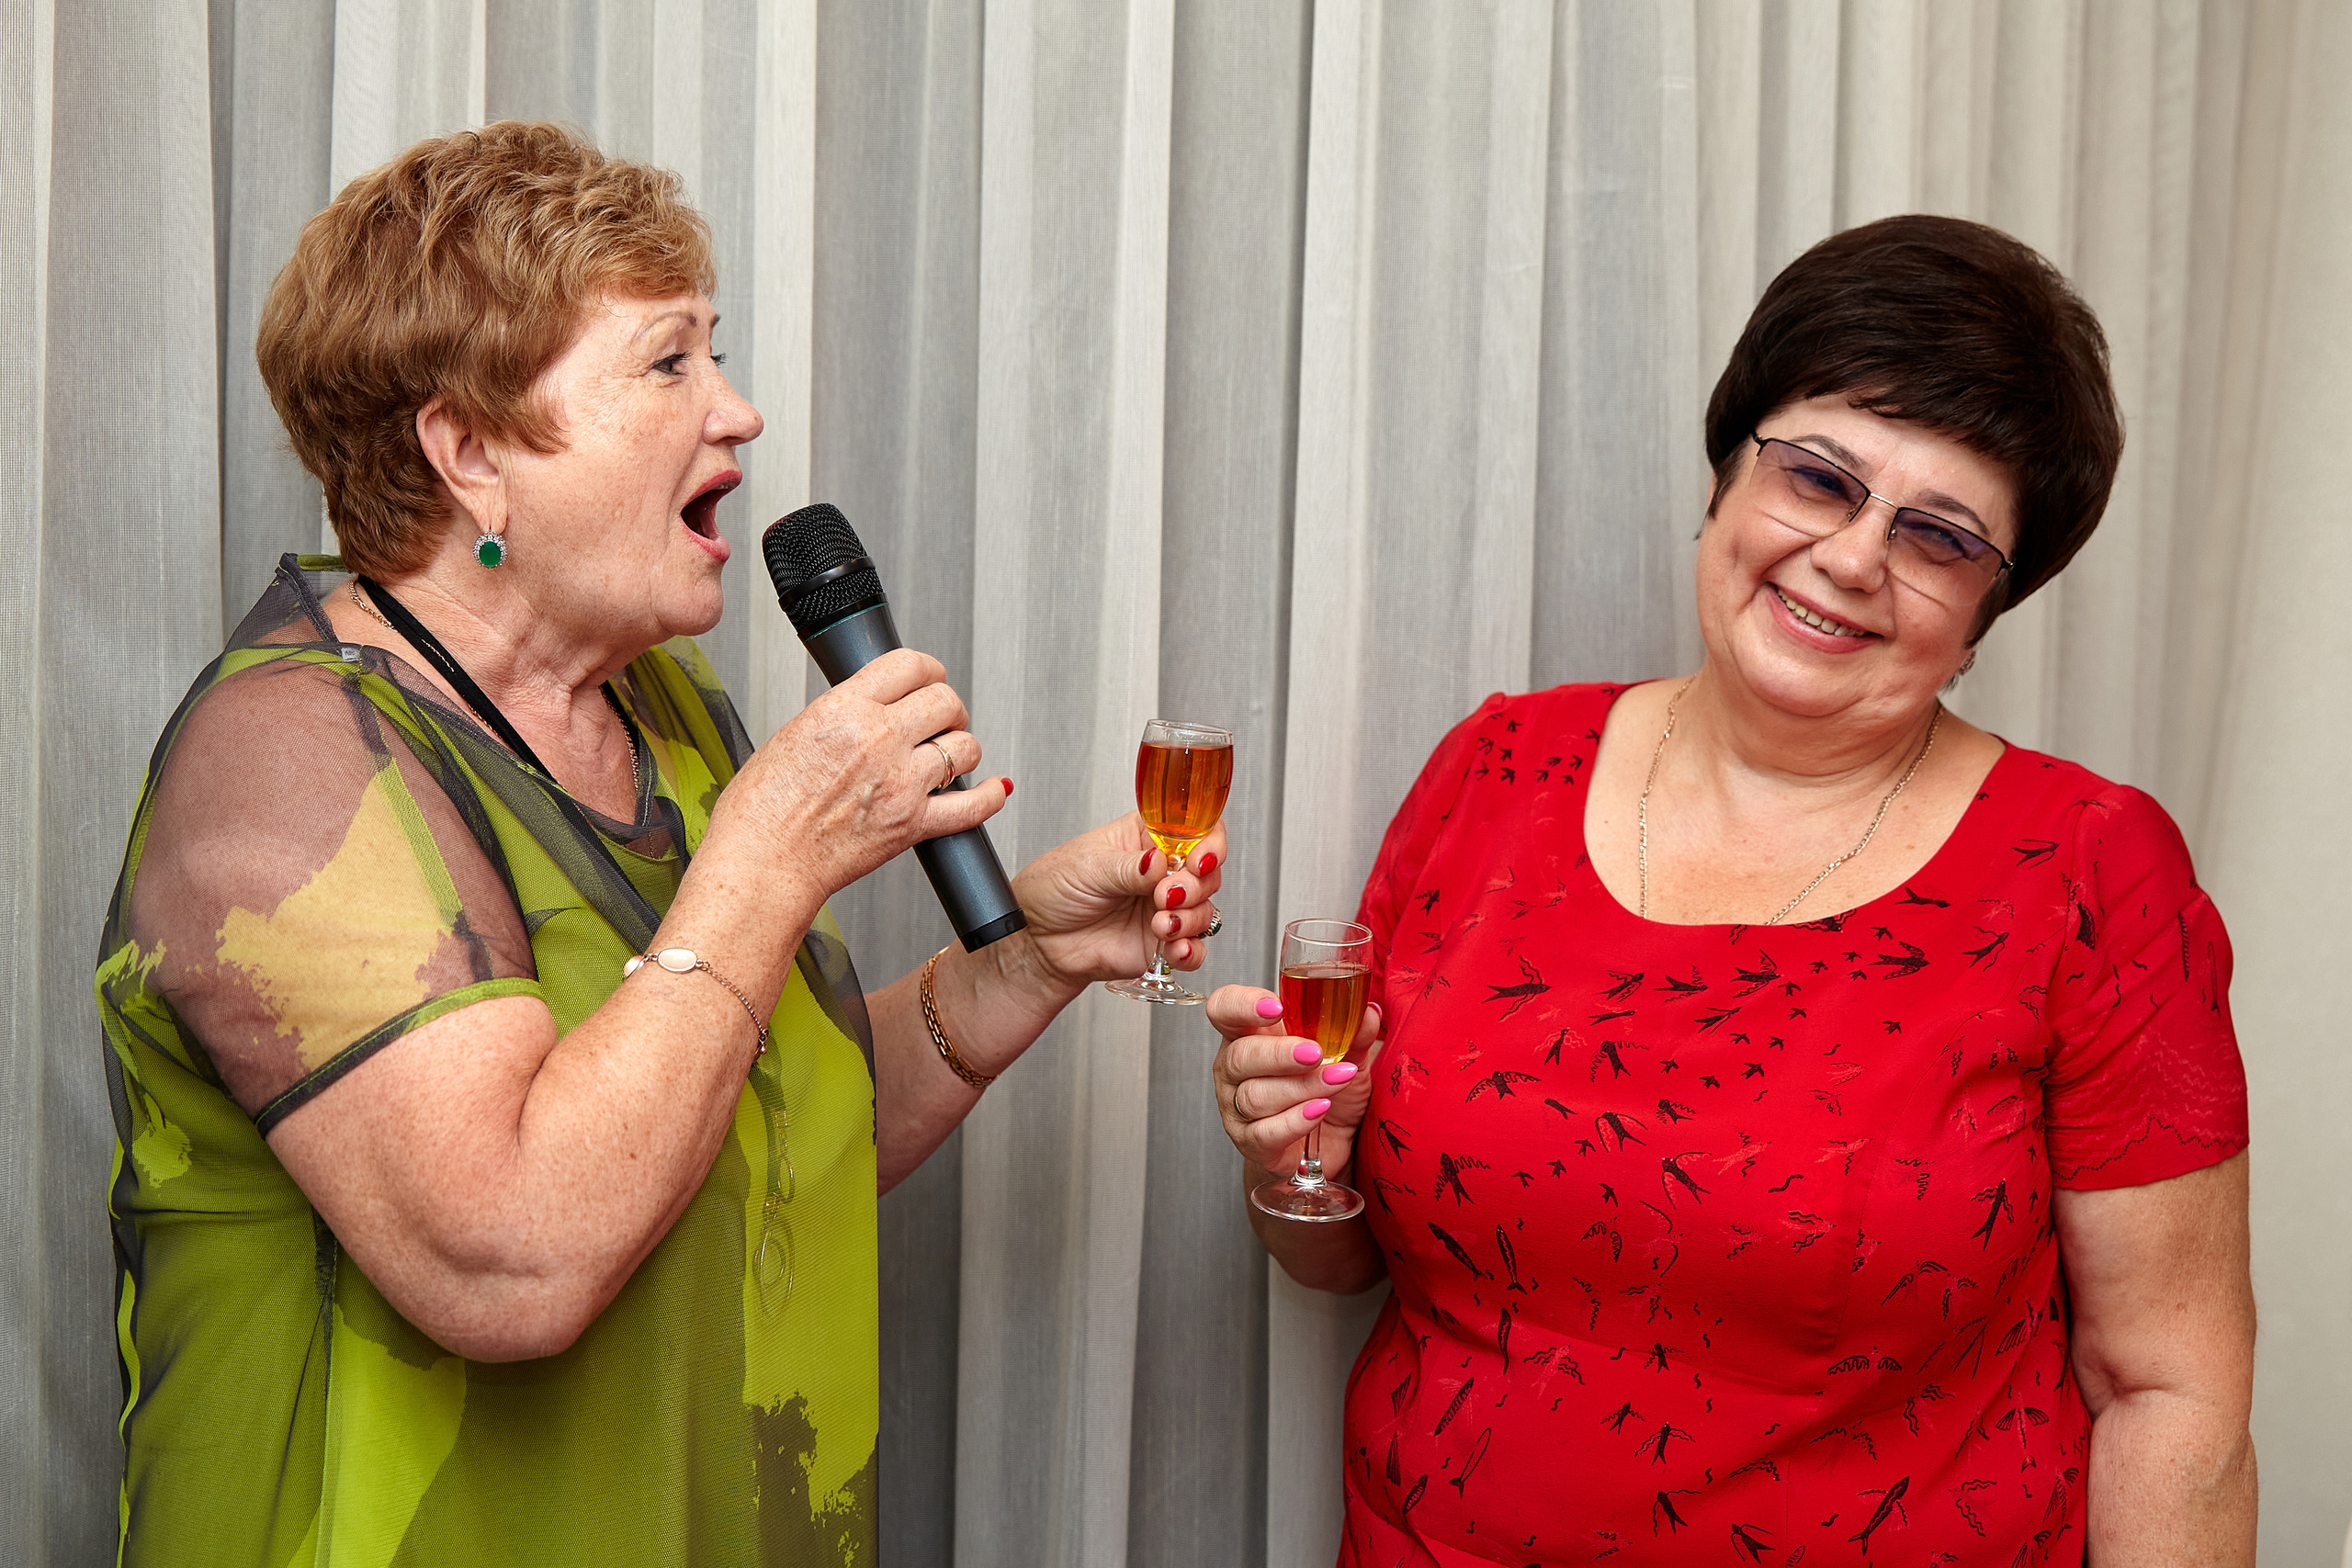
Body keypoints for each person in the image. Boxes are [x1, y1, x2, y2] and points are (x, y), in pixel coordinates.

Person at [94, 121, 1224, 1565]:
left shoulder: (662, 713)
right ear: (474, 450)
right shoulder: (288, 764)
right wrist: (767, 861)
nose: (739, 412)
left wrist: (1032, 961)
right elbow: (510, 1256)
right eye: (669, 361)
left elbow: (749, 1126)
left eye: (718, 351)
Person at [1212, 215, 2254, 1563]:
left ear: (1989, 609)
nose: (1853, 557)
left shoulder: (2091, 871)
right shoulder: (1495, 769)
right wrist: (1291, 1160)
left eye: (1939, 536)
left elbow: (2172, 1395)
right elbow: (1342, 1260)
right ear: (1726, 472)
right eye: (1819, 478)